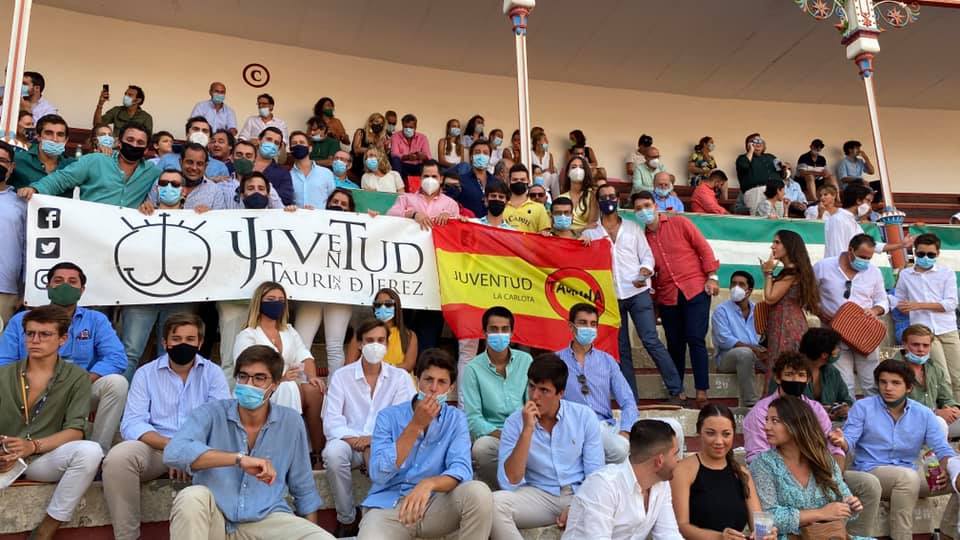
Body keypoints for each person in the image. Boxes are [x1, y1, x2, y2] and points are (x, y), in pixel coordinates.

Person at [163, 345, 333, 539]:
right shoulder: (211, 413)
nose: (249, 384)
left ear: (276, 384)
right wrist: (238, 459)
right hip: (215, 520)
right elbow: (174, 451)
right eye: (243, 376)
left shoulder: (290, 421)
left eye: (259, 378)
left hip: (266, 519)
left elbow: (303, 487)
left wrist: (311, 530)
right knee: (191, 498)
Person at [102, 313, 230, 540]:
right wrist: (174, 448)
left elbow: (218, 421)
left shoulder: (213, 373)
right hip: (157, 448)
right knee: (118, 457)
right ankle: (127, 537)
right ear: (165, 343)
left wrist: (187, 451)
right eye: (176, 338)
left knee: (231, 457)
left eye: (190, 339)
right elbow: (132, 422)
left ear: (200, 343)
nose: (183, 344)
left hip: (199, 450)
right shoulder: (145, 373)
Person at [357, 348, 494, 539]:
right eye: (428, 379)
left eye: (442, 382)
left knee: (479, 492)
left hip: (435, 505)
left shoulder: (456, 419)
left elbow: (462, 469)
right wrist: (415, 425)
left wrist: (428, 484)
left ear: (451, 388)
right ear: (416, 380)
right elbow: (379, 473)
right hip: (390, 507)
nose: (433, 388)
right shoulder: (388, 417)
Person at [0, 262, 128, 454]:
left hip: (80, 387)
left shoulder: (95, 320)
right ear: (48, 286)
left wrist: (81, 380)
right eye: (58, 281)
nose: (65, 286)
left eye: (72, 282)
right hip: (30, 391)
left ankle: (100, 453)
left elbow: (116, 358)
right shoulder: (23, 320)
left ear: (82, 289)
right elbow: (4, 361)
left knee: (117, 383)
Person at [0, 305, 103, 540]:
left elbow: (76, 430)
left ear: (62, 339)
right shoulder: (4, 374)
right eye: (30, 333)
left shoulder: (76, 377)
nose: (35, 340)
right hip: (5, 455)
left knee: (90, 451)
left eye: (45, 334)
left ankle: (47, 529)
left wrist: (32, 446)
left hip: (42, 458)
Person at [583, 186, 683, 403]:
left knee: (650, 340)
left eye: (612, 196)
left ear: (618, 199)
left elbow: (647, 256)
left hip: (638, 291)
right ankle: (630, 398)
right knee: (621, 349)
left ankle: (676, 389)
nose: (608, 200)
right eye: (603, 198)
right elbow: (581, 261)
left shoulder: (633, 228)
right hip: (609, 296)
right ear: (597, 201)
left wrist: (645, 270)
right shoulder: (590, 233)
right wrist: (581, 237)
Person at [321, 319, 417, 537]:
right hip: (348, 441)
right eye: (370, 340)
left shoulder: (400, 377)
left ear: (387, 343)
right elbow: (332, 420)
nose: (375, 345)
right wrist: (358, 440)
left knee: (382, 456)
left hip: (382, 443)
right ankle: (347, 519)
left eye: (380, 340)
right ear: (360, 344)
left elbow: (403, 420)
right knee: (333, 454)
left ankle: (379, 516)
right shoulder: (342, 376)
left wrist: (373, 440)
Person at [492, 354, 604, 539]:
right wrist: (527, 429)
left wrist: (579, 505)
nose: (535, 396)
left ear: (561, 393)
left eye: (544, 390)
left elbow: (595, 475)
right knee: (493, 505)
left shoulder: (584, 416)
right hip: (539, 494)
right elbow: (510, 479)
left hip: (577, 494)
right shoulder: (514, 422)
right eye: (531, 387)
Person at [844, 360, 959, 540]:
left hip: (909, 471)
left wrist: (947, 469)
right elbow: (848, 440)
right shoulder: (863, 407)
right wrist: (839, 441)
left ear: (908, 388)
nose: (888, 388)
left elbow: (942, 449)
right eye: (883, 382)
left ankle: (948, 534)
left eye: (895, 383)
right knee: (906, 478)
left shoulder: (923, 413)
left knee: (958, 480)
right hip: (872, 471)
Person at [636, 190, 719, 407]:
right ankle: (678, 390)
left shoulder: (680, 222)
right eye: (638, 208)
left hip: (695, 288)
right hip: (667, 296)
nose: (643, 211)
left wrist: (712, 277)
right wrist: (654, 307)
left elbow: (703, 248)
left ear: (655, 205)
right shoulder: (642, 239)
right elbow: (648, 273)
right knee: (674, 344)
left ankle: (702, 391)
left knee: (696, 338)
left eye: (646, 205)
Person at [749, 395, 867, 540]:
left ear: (796, 424)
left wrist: (851, 506)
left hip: (827, 535)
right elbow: (769, 517)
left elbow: (842, 500)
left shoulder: (823, 459)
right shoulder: (763, 464)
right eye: (766, 420)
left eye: (775, 421)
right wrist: (820, 513)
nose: (766, 427)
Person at [232, 282, 326, 454]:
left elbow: (304, 354)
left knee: (313, 389)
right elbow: (246, 369)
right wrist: (280, 379)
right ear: (259, 302)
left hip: (287, 385)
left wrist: (312, 376)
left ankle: (317, 453)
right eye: (271, 299)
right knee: (287, 387)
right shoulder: (248, 334)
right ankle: (285, 450)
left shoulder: (288, 330)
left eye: (281, 300)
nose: (277, 303)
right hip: (259, 389)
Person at [563, 419, 683, 539]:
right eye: (675, 454)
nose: (679, 459)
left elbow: (668, 534)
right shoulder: (603, 485)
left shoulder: (661, 483)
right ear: (659, 461)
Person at [671, 405, 773, 540]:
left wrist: (766, 534)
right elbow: (681, 526)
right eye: (710, 433)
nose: (719, 441)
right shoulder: (684, 470)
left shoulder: (742, 473)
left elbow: (758, 523)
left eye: (726, 434)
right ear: (699, 432)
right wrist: (719, 537)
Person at [459, 306, 533, 490]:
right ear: (484, 332)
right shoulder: (473, 369)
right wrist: (504, 435)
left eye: (504, 329)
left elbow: (532, 404)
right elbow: (473, 419)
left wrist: (524, 432)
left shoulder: (526, 361)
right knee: (481, 448)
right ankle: (496, 490)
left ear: (511, 332)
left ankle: (530, 489)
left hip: (525, 431)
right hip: (494, 435)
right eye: (494, 329)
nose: (499, 334)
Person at [556, 303, 637, 464]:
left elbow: (628, 401)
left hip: (607, 425)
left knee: (671, 429)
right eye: (583, 323)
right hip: (575, 428)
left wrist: (625, 431)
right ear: (571, 327)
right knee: (619, 449)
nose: (588, 328)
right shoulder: (556, 361)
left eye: (593, 324)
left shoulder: (607, 361)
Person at [814, 233, 888, 396]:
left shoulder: (874, 272)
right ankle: (849, 418)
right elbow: (808, 295)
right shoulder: (823, 267)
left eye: (869, 258)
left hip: (865, 334)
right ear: (850, 250)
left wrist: (875, 311)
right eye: (862, 256)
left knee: (871, 382)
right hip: (834, 333)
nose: (866, 261)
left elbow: (882, 300)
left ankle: (875, 418)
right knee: (844, 383)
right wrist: (822, 314)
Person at [18, 122, 158, 208]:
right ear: (119, 143)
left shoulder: (152, 172)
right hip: (90, 236)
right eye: (130, 139)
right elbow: (62, 179)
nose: (134, 145)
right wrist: (35, 189)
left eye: (140, 143)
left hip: (124, 239)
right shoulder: (95, 161)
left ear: (146, 150)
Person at [893, 232, 960, 400]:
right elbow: (898, 299)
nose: (925, 257)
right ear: (915, 252)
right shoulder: (905, 274)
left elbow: (951, 303)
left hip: (948, 328)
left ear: (937, 254)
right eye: (921, 254)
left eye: (930, 254)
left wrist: (918, 305)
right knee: (942, 376)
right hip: (923, 332)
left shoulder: (946, 273)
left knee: (957, 375)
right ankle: (947, 409)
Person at [761, 230, 820, 365]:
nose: (772, 246)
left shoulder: (792, 271)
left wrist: (768, 272)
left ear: (789, 246)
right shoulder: (795, 269)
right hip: (788, 320)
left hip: (785, 323)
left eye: (777, 242)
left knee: (782, 365)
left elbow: (770, 298)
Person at [711, 271, 765, 407]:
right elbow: (724, 339)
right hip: (728, 358)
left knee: (780, 359)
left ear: (749, 290)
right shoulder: (721, 311)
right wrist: (752, 348)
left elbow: (764, 335)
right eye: (733, 284)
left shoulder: (758, 310)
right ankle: (751, 403)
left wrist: (765, 350)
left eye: (741, 284)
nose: (736, 287)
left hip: (756, 354)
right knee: (744, 353)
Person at [899, 324, 960, 438]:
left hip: (935, 419)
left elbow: (946, 398)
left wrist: (953, 409)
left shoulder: (934, 368)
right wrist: (934, 413)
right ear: (905, 345)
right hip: (905, 423)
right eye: (915, 345)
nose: (921, 349)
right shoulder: (893, 368)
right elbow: (896, 408)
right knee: (938, 423)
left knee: (940, 422)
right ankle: (929, 453)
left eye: (925, 345)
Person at [824, 183, 912, 258]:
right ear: (858, 200)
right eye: (868, 201)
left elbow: (870, 245)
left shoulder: (852, 221)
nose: (870, 206)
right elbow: (836, 252)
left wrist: (901, 245)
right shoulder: (838, 219)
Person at [143, 143, 227, 213]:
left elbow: (219, 223)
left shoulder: (215, 191)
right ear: (180, 162)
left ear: (206, 166)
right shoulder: (162, 183)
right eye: (189, 162)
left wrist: (211, 215)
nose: (194, 168)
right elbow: (149, 210)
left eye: (200, 164)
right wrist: (146, 208)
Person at [346, 288, 418, 371]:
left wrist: (380, 370)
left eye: (388, 304)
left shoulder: (409, 335)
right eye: (378, 304)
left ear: (396, 306)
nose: (383, 307)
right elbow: (349, 365)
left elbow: (408, 366)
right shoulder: (361, 332)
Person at [797, 328, 853, 421]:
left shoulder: (832, 372)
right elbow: (785, 407)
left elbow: (846, 400)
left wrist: (844, 409)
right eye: (836, 348)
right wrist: (818, 412)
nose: (838, 351)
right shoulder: (791, 374)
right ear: (824, 355)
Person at [387, 159, 459, 228]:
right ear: (420, 178)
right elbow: (390, 214)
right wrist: (413, 214)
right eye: (426, 176)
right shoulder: (405, 198)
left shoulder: (451, 204)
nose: (430, 180)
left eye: (434, 176)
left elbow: (456, 228)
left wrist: (450, 218)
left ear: (441, 179)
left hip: (438, 240)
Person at [10, 113, 74, 192]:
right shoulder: (17, 159)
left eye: (60, 135)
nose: (54, 139)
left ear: (66, 139)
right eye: (49, 133)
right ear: (38, 136)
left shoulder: (72, 165)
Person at [156, 116, 231, 179]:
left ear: (209, 139)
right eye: (196, 129)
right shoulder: (167, 159)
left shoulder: (220, 167)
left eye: (205, 131)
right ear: (187, 134)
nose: (200, 133)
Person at [0, 140, 26, 323]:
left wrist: (25, 290)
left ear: (11, 167)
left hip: (5, 290)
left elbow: (28, 248)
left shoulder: (22, 204)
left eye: (2, 160)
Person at [288, 130, 335, 209]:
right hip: (296, 219)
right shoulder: (287, 176)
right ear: (290, 149)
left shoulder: (326, 173)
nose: (298, 145)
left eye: (302, 142)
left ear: (310, 148)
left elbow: (332, 200)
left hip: (321, 219)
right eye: (294, 143)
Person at [735, 133, 781, 213]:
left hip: (775, 192)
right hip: (756, 192)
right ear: (748, 145)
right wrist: (751, 151)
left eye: (760, 141)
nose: (758, 143)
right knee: (758, 217)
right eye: (754, 141)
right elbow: (744, 166)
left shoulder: (771, 157)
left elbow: (782, 173)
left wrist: (785, 169)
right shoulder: (742, 158)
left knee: (777, 219)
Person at [251, 126, 295, 205]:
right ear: (259, 140)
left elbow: (286, 199)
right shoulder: (242, 163)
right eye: (269, 139)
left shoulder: (283, 173)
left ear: (278, 148)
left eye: (276, 143)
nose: (272, 144)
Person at [502, 163, 551, 232]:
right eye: (515, 180)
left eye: (522, 180)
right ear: (509, 182)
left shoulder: (540, 208)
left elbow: (544, 238)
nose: (519, 182)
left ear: (528, 181)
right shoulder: (501, 207)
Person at [454, 138, 496, 217]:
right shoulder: (461, 180)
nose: (481, 155)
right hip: (468, 227)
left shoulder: (496, 182)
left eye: (485, 153)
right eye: (477, 152)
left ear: (489, 158)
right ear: (471, 156)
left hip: (490, 227)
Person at [559, 156, 597, 232]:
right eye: (573, 167)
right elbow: (559, 227)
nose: (577, 170)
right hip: (566, 239)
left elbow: (592, 225)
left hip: (586, 239)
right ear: (567, 173)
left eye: (581, 167)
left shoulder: (592, 195)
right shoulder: (560, 198)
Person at [389, 113, 431, 180]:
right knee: (395, 160)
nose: (408, 129)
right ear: (402, 125)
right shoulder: (395, 136)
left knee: (432, 162)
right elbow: (394, 154)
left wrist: (421, 156)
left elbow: (428, 156)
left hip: (418, 166)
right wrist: (408, 157)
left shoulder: (422, 137)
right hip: (403, 165)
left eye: (411, 127)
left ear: (415, 127)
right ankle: (398, 185)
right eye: (406, 127)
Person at [351, 112, 391, 180]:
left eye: (381, 124)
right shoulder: (361, 132)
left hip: (375, 161)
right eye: (376, 122)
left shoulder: (381, 137)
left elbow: (382, 154)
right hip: (360, 160)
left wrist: (386, 147)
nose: (379, 125)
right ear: (370, 122)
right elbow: (356, 149)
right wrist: (374, 149)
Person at [531, 131, 560, 199]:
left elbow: (551, 170)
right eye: (545, 140)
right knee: (547, 174)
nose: (547, 142)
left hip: (547, 179)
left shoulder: (549, 155)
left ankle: (557, 198)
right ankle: (542, 193)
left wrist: (552, 170)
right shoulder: (530, 154)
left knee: (554, 175)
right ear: (538, 142)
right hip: (534, 178)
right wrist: (543, 171)